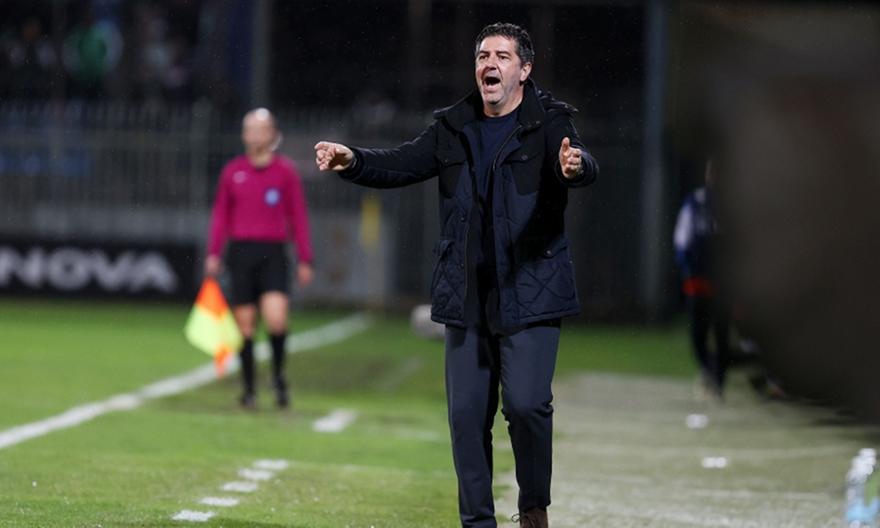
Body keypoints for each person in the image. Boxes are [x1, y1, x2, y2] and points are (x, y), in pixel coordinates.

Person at [315, 22, 598, 528]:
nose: (490, 64)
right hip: (466, 294)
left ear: (524, 70)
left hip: (530, 289)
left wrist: (575, 168)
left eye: (502, 57)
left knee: (527, 405)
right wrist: (353, 160)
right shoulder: (454, 125)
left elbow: (577, 163)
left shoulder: (550, 121)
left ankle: (533, 507)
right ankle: (477, 523)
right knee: (466, 419)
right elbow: (403, 163)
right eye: (483, 55)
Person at [206, 108, 314, 409]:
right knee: (245, 325)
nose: (254, 135)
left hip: (273, 253)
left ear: (272, 134)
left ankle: (278, 377)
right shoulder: (233, 172)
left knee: (276, 319)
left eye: (259, 129)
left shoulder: (285, 172)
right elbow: (220, 216)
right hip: (241, 253)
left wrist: (305, 258)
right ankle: (249, 389)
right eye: (249, 129)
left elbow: (298, 216)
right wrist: (214, 252)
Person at [673, 157, 729, 400]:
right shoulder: (695, 203)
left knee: (722, 335)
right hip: (699, 281)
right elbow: (682, 238)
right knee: (698, 336)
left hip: (725, 283)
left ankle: (719, 381)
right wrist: (687, 268)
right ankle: (709, 371)